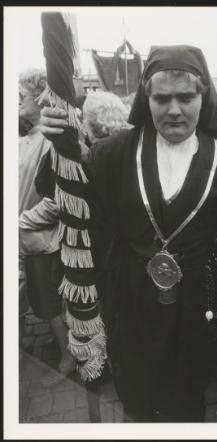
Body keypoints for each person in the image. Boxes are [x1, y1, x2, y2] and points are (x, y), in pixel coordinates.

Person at [39, 45, 217, 422]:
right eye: (162, 98)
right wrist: (60, 149)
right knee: (137, 386)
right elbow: (75, 202)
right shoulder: (114, 153)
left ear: (203, 97)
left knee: (189, 385)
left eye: (185, 97)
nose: (174, 109)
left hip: (197, 290)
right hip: (131, 290)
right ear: (147, 99)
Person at [18, 68, 75, 385]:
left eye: (23, 96)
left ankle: (68, 357)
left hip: (41, 237)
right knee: (43, 298)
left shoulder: (51, 143)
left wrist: (21, 221)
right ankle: (58, 345)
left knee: (47, 299)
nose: (18, 103)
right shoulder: (32, 138)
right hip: (30, 236)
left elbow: (57, 199)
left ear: (40, 99)